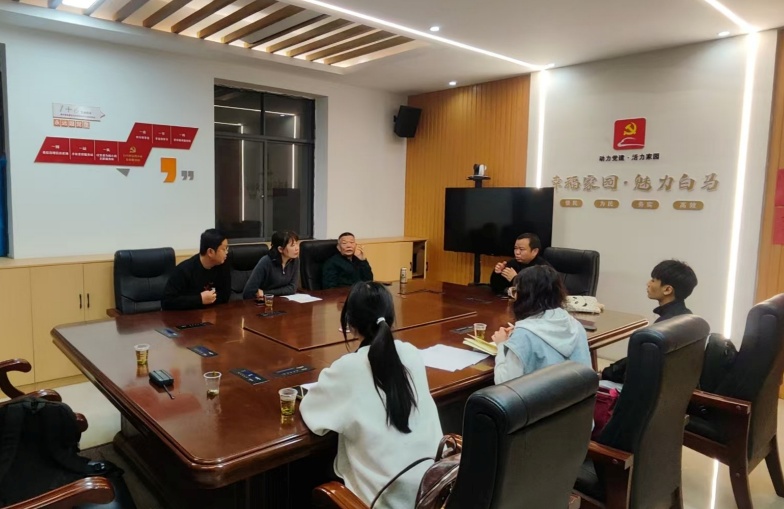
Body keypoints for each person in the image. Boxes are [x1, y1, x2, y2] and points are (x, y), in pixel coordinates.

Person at [300, 282, 442, 508]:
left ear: (350, 324)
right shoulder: (411, 353)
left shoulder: (348, 368)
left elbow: (313, 416)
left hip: (383, 500)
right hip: (432, 493)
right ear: (391, 319)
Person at [601, 259, 698, 383]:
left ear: (667, 290)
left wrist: (605, 374)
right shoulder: (687, 317)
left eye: (653, 280)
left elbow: (636, 365)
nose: (648, 283)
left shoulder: (662, 328)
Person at [491, 265, 591, 384]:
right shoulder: (576, 325)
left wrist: (502, 345)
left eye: (515, 292)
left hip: (542, 396)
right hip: (578, 394)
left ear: (526, 296)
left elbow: (504, 383)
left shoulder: (523, 335)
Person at [162, 229, 231, 310]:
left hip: (212, 313)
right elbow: (167, 302)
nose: (226, 252)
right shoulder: (184, 270)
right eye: (223, 249)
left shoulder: (222, 265)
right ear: (210, 252)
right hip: (187, 314)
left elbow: (225, 296)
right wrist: (199, 299)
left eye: (227, 248)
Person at [242, 231, 300, 299]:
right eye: (292, 245)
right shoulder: (266, 262)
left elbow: (292, 288)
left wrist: (265, 293)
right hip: (264, 302)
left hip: (282, 301)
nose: (297, 248)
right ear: (280, 249)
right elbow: (248, 292)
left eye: (297, 244)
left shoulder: (295, 260)